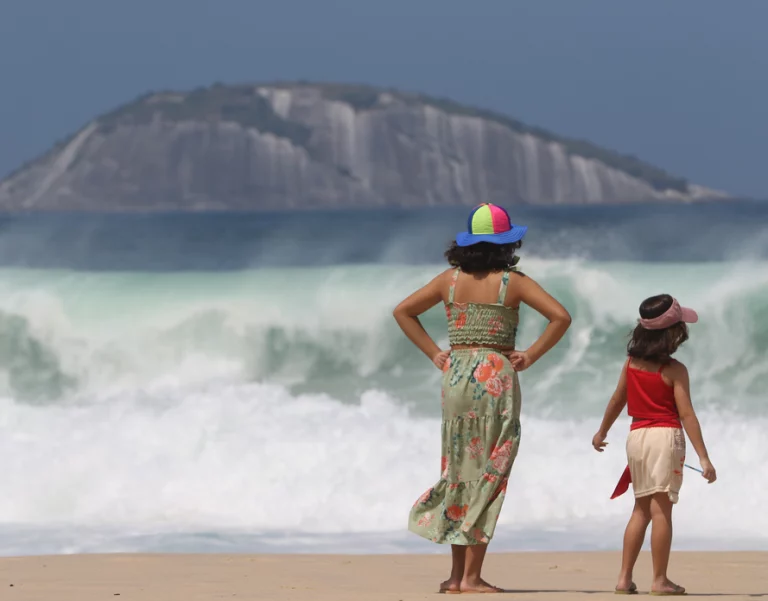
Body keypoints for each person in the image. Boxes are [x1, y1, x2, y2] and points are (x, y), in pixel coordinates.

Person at [393, 203, 571, 594]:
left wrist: (434, 353)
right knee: (490, 473)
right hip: (495, 378)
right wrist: (531, 354)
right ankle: (471, 578)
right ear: (507, 244)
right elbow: (561, 316)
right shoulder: (514, 281)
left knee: (460, 472)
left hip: (455, 376)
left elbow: (403, 312)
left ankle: (457, 577)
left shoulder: (449, 281)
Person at [592, 294, 717, 596]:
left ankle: (624, 578)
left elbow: (617, 399)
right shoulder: (674, 370)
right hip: (664, 437)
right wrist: (704, 458)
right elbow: (687, 415)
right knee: (662, 513)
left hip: (636, 438)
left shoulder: (631, 364)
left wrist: (601, 431)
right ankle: (659, 580)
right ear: (673, 334)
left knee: (640, 510)